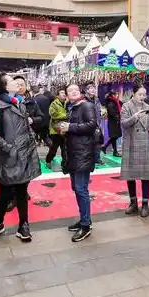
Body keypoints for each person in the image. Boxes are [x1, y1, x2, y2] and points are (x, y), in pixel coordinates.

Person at [0, 73, 41, 242]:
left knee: (22, 191)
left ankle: (24, 225)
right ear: (3, 86)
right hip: (8, 155)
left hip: (25, 152)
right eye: (11, 81)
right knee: (5, 191)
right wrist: (7, 147)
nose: (17, 83)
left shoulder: (20, 102)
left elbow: (25, 126)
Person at [60, 83, 97, 242]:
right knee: (77, 188)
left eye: (75, 89)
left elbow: (91, 125)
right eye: (70, 91)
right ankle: (84, 219)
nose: (73, 92)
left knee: (81, 189)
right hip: (75, 154)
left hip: (83, 153)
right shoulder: (73, 107)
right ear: (66, 95)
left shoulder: (86, 105)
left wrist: (70, 127)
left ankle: (86, 225)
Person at [120, 84, 149, 218]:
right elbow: (123, 123)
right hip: (131, 142)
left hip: (144, 143)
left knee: (145, 176)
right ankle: (133, 203)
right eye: (140, 94)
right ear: (134, 93)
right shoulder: (126, 106)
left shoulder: (148, 107)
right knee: (131, 175)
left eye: (144, 94)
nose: (142, 97)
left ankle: (145, 204)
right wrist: (135, 117)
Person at [45, 88, 67, 167]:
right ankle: (48, 160)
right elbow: (53, 115)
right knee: (54, 148)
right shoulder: (54, 104)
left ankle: (64, 164)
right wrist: (65, 116)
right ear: (57, 95)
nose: (64, 94)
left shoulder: (67, 103)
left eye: (64, 93)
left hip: (65, 129)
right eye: (61, 92)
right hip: (55, 130)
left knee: (64, 148)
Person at [84, 82, 104, 165]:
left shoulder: (96, 99)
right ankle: (88, 159)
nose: (93, 90)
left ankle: (97, 158)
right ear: (87, 90)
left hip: (97, 124)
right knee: (88, 142)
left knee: (97, 142)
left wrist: (101, 114)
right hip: (87, 124)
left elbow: (99, 110)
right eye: (91, 88)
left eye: (94, 88)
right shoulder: (84, 100)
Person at [102, 91, 122, 157]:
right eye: (116, 94)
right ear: (113, 95)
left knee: (114, 137)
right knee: (114, 136)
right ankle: (114, 151)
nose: (117, 96)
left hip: (115, 122)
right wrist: (118, 118)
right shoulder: (111, 103)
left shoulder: (116, 102)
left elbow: (122, 105)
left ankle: (105, 147)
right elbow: (113, 113)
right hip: (113, 122)